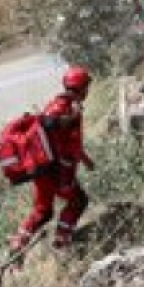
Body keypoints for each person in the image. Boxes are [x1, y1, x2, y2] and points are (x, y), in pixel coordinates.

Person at [11, 95, 93, 252]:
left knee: (43, 211)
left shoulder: (54, 105)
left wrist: (85, 159)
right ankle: (61, 242)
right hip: (58, 170)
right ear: (82, 88)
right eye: (86, 87)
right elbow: (64, 136)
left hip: (41, 169)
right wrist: (73, 117)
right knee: (78, 201)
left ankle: (18, 243)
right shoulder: (66, 108)